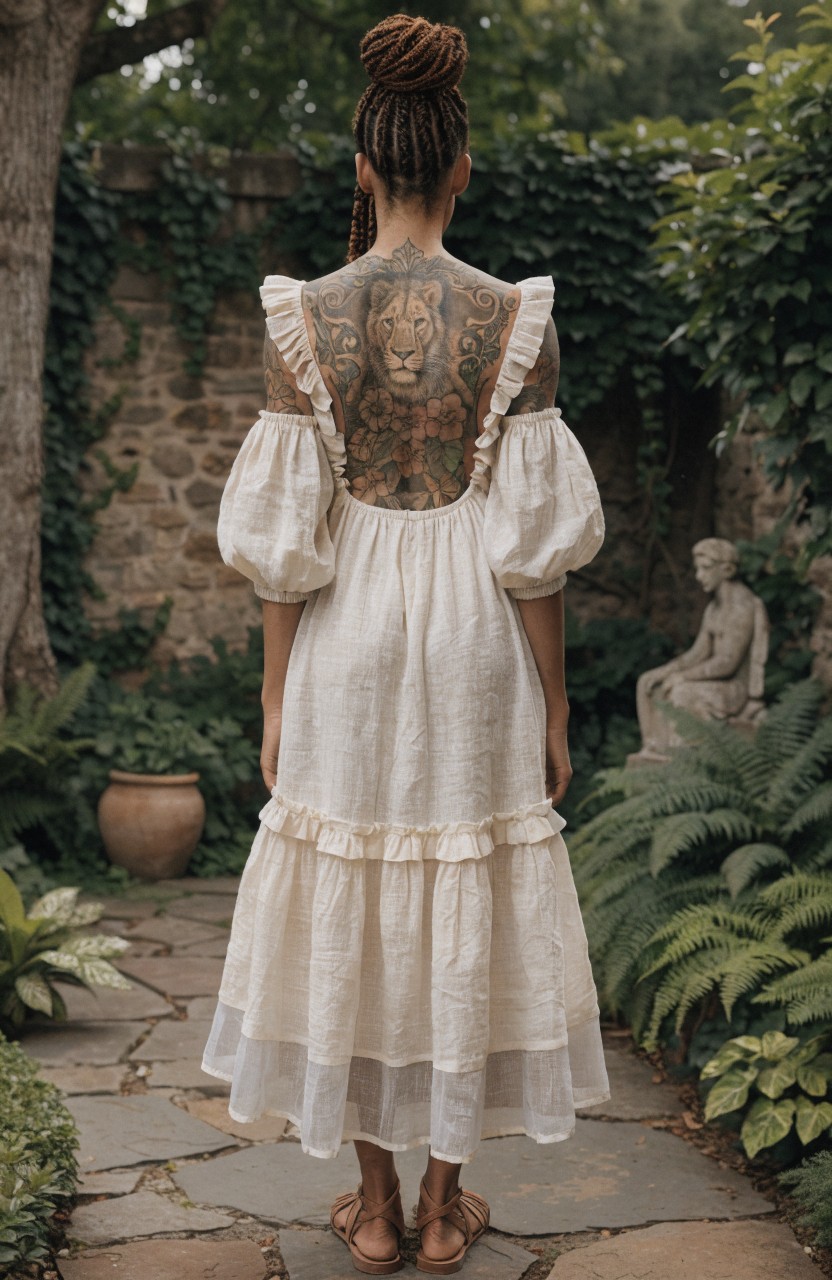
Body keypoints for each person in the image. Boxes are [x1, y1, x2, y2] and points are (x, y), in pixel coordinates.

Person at [202, 13, 610, 1275]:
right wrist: (553, 704)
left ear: (364, 168)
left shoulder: (303, 319)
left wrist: (273, 697)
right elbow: (533, 554)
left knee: (362, 903)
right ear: (462, 169)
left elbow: (287, 546)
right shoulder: (515, 320)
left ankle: (372, 1207)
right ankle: (444, 1208)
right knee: (460, 894)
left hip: (348, 640)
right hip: (474, 638)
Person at [635, 537, 769, 759]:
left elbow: (727, 663)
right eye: (698, 569)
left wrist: (683, 677)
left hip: (733, 688)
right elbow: (698, 653)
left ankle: (682, 759)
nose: (699, 576)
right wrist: (668, 670)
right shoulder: (714, 608)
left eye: (706, 568)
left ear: (726, 570)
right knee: (648, 682)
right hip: (712, 680)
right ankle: (654, 749)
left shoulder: (742, 606)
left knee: (681, 691)